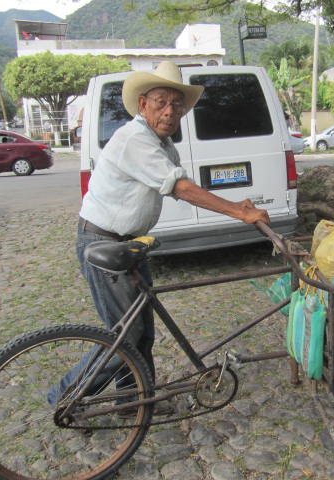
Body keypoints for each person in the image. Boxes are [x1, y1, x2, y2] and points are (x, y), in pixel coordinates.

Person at [47, 61, 270, 405]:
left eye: (176, 104)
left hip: (129, 243)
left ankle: (134, 401)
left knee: (141, 333)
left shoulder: (162, 144)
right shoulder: (134, 139)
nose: (169, 111)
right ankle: (64, 397)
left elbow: (181, 185)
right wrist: (239, 212)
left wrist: (233, 203)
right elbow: (179, 187)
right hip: (103, 242)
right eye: (160, 102)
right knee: (125, 338)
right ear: (143, 105)